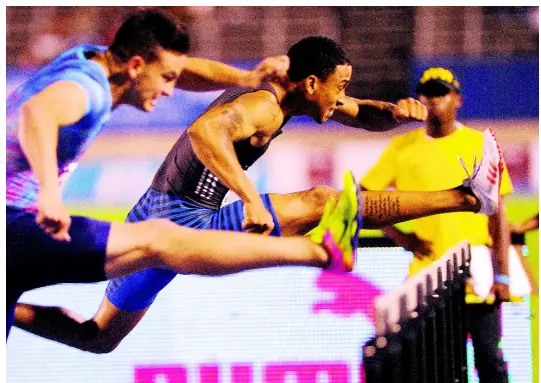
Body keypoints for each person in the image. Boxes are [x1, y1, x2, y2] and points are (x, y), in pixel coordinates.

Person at [14, 38, 504, 353]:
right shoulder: (265, 106)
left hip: (164, 212)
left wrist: (393, 112)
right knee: (320, 202)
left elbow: (360, 113)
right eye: (340, 87)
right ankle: (466, 197)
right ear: (312, 83)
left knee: (99, 337)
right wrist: (249, 195)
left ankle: (7, 304)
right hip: (179, 220)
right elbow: (207, 132)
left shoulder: (298, 97)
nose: (342, 97)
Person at [6, 8, 362, 340]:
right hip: (14, 225)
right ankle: (321, 253)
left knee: (99, 331)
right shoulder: (89, 90)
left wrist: (245, 77)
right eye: (166, 79)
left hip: (15, 230)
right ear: (135, 66)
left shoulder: (92, 57)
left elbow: (187, 69)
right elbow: (36, 114)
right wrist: (50, 194)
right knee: (160, 239)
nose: (169, 90)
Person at [361, 67, 512, 383]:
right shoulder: (402, 148)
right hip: (428, 279)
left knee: (490, 360)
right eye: (427, 92)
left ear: (456, 99)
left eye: (441, 92)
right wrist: (403, 239)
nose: (433, 100)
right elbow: (364, 197)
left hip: (477, 275)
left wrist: (502, 274)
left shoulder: (478, 145)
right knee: (438, 365)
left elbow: (499, 216)